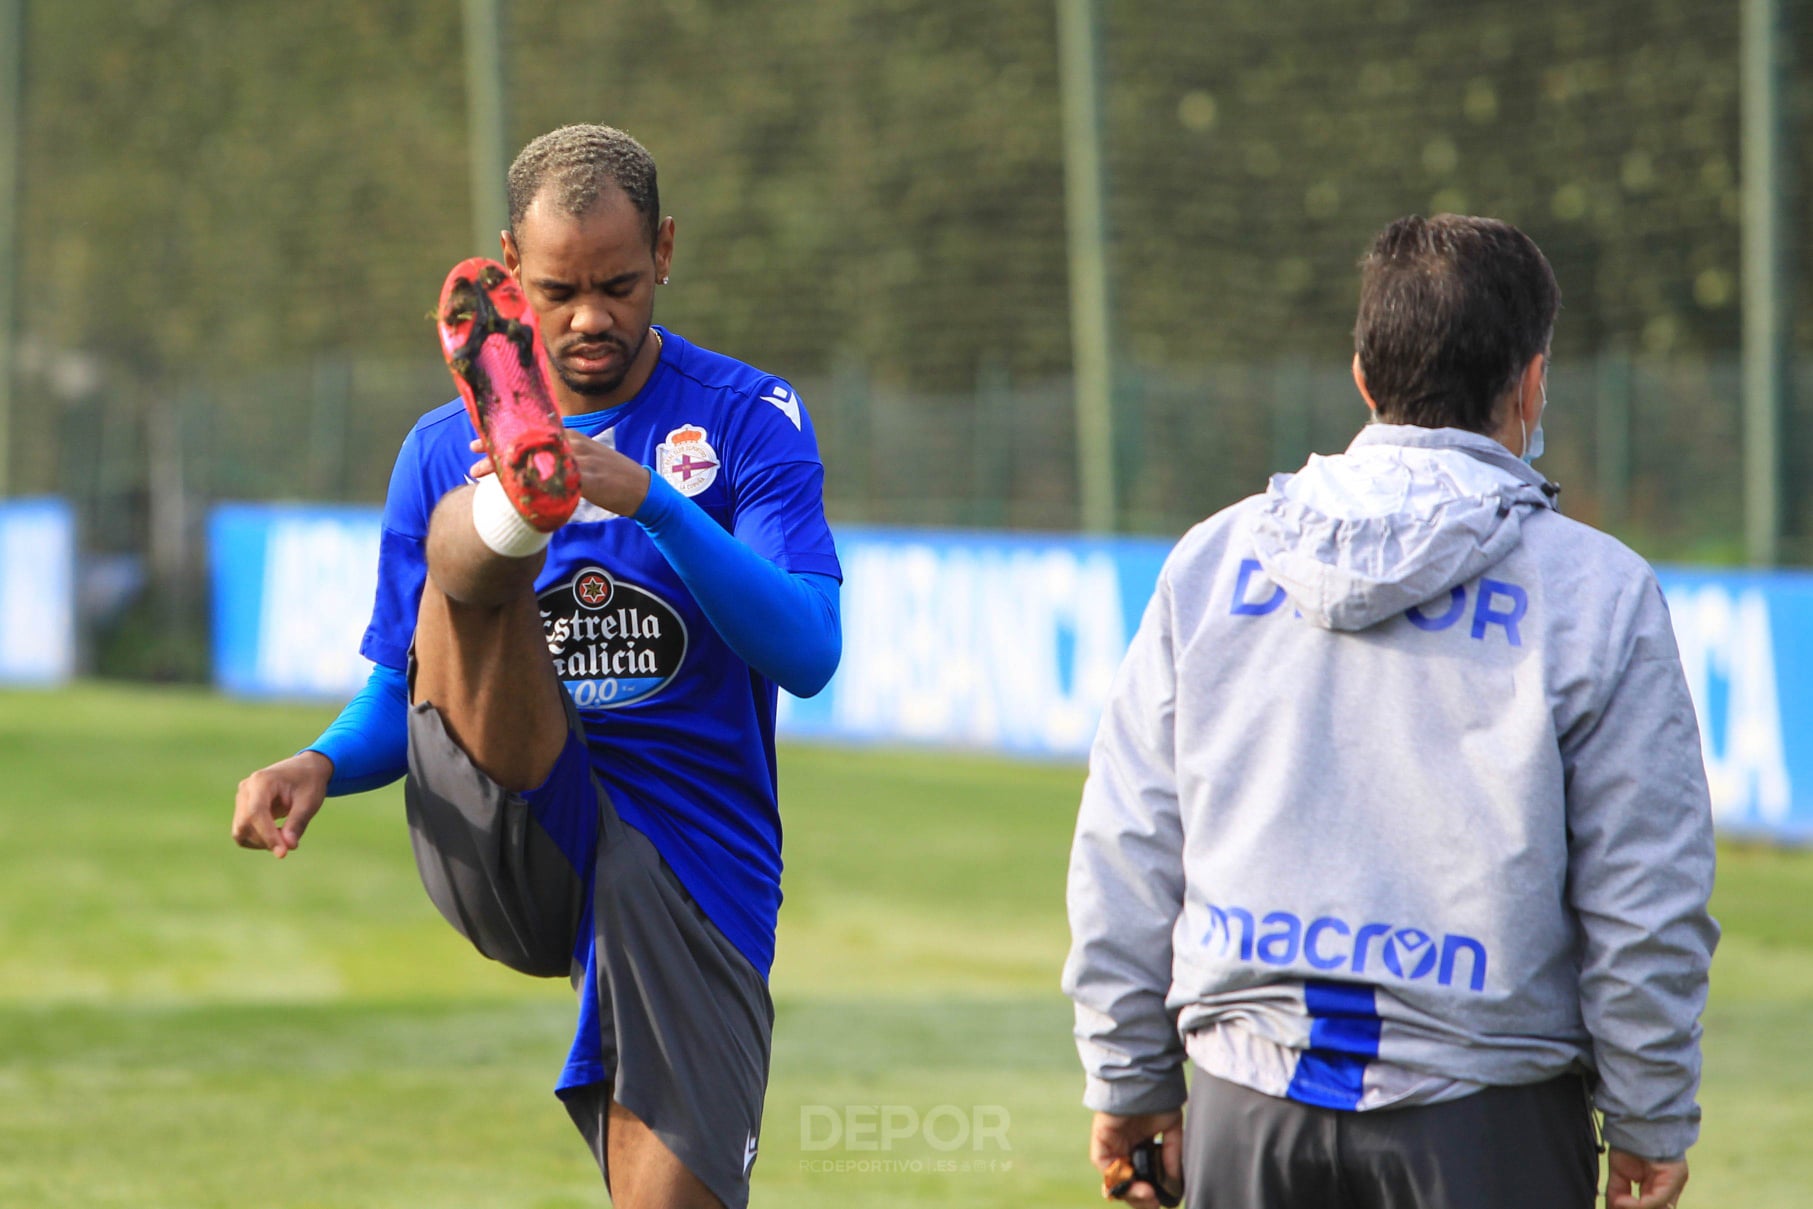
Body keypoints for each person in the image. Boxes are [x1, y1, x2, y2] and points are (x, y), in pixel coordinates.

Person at [232, 124, 842, 1209]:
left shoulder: (748, 419)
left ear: (664, 249)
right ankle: (521, 494)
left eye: (617, 282)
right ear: (510, 270)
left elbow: (806, 651)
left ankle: (524, 497)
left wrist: (650, 498)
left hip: (690, 858)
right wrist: (319, 761)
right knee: (471, 565)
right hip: (509, 816)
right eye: (558, 291)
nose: (592, 315)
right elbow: (400, 685)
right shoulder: (432, 450)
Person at [1062, 214, 1717, 1209]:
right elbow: (1645, 897)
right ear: (1531, 383)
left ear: (1363, 378)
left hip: (1246, 1105)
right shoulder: (1600, 591)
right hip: (1490, 1116)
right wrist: (1649, 1117)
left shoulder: (1211, 561)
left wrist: (1128, 1080)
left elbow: (1127, 845)